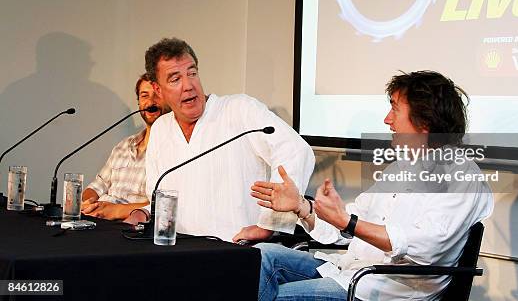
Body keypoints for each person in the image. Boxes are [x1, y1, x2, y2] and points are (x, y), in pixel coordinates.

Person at [251, 71, 494, 301]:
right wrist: (303, 207)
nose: (387, 120)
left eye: (395, 109)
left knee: (271, 296)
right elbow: (348, 224)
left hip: (385, 290)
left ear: (424, 122)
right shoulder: (400, 168)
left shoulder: (461, 175)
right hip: (349, 272)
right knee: (257, 256)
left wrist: (348, 223)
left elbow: (427, 247)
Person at [125, 37, 315, 243]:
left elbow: (295, 150)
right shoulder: (161, 128)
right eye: (175, 79)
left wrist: (269, 224)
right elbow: (162, 196)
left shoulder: (239, 109)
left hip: (233, 250)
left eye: (192, 73)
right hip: (176, 252)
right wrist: (144, 212)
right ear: (158, 89)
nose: (188, 85)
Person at [81, 74, 168, 220]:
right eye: (144, 96)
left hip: (130, 227)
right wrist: (88, 203)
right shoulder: (124, 145)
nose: (150, 101)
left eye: (157, 95)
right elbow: (97, 185)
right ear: (139, 104)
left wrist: (115, 210)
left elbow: (162, 204)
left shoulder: (173, 150)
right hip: (99, 219)